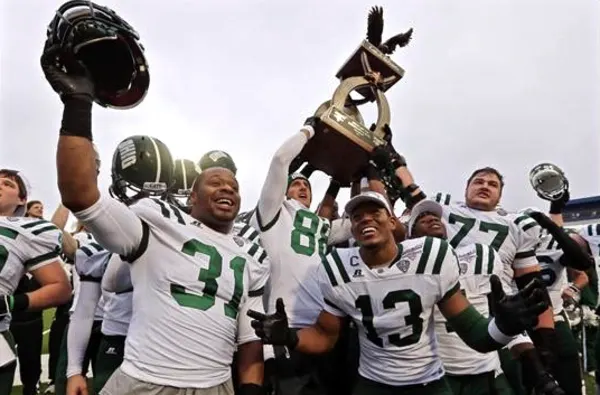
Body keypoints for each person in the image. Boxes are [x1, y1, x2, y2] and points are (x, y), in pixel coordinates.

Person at [42, 44, 269, 395]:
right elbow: (80, 195)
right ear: (191, 196)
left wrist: (251, 389)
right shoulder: (157, 219)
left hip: (216, 384)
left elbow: (249, 334)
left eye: (234, 185)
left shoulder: (252, 252)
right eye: (215, 182)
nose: (227, 188)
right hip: (143, 379)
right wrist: (77, 104)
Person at [248, 190, 549, 395]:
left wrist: (504, 327)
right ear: (350, 229)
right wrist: (290, 337)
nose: (365, 218)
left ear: (393, 222)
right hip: (373, 383)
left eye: (374, 212)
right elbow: (325, 336)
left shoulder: (431, 256)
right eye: (357, 216)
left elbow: (475, 335)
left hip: (427, 382)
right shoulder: (336, 269)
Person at [410, 199, 564, 395]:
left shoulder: (478, 255)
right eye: (421, 218)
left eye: (435, 216)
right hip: (436, 372)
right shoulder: (404, 270)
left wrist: (536, 367)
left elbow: (501, 314)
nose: (431, 218)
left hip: (486, 368)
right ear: (410, 233)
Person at [251, 121, 351, 395]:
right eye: (295, 184)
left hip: (325, 331)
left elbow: (366, 221)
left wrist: (357, 168)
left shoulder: (322, 226)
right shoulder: (273, 212)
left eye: (306, 184)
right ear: (284, 191)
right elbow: (280, 160)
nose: (302, 187)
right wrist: (309, 129)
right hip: (285, 330)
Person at [0, 169, 72, 395]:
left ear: (21, 200)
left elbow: (60, 288)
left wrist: (8, 303)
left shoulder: (25, 231)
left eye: (7, 184)